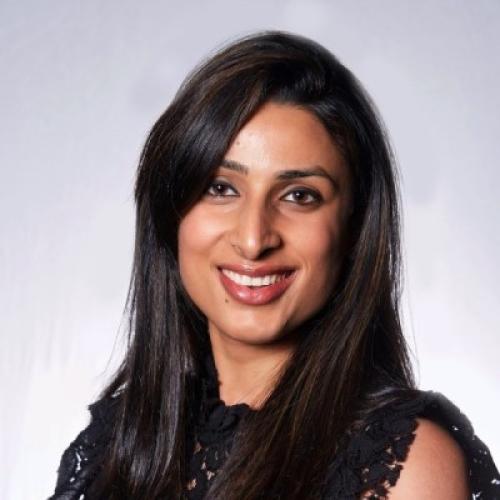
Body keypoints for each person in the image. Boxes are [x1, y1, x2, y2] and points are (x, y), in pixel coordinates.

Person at [49, 31, 499, 499]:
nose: (253, 239)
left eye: (299, 196)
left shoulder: (404, 465)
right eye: (221, 188)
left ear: (354, 226)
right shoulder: (112, 446)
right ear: (171, 213)